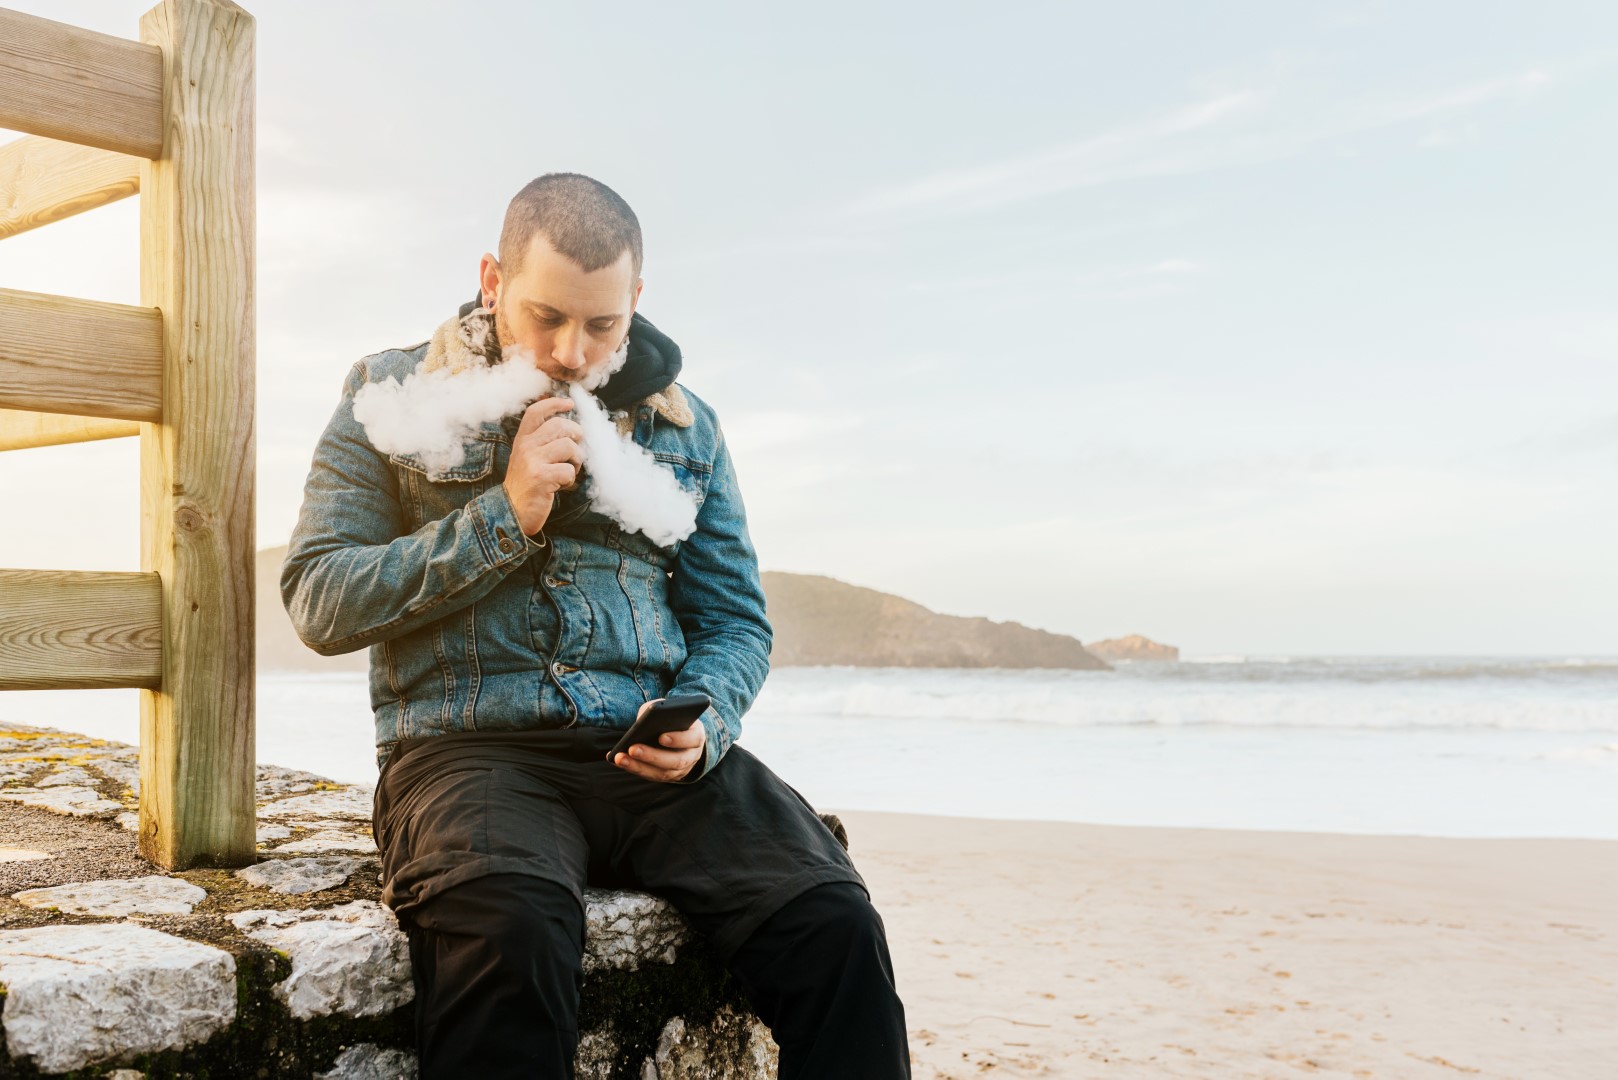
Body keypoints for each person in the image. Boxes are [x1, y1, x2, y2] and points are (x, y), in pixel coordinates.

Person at [280, 172, 911, 1078]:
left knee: (835, 924)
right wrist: (503, 514)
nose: (573, 351)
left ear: (636, 302)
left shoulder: (687, 427)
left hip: (647, 750)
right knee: (511, 934)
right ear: (493, 280)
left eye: (602, 324)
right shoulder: (389, 393)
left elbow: (736, 622)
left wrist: (706, 723)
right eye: (546, 317)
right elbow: (318, 598)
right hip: (468, 751)